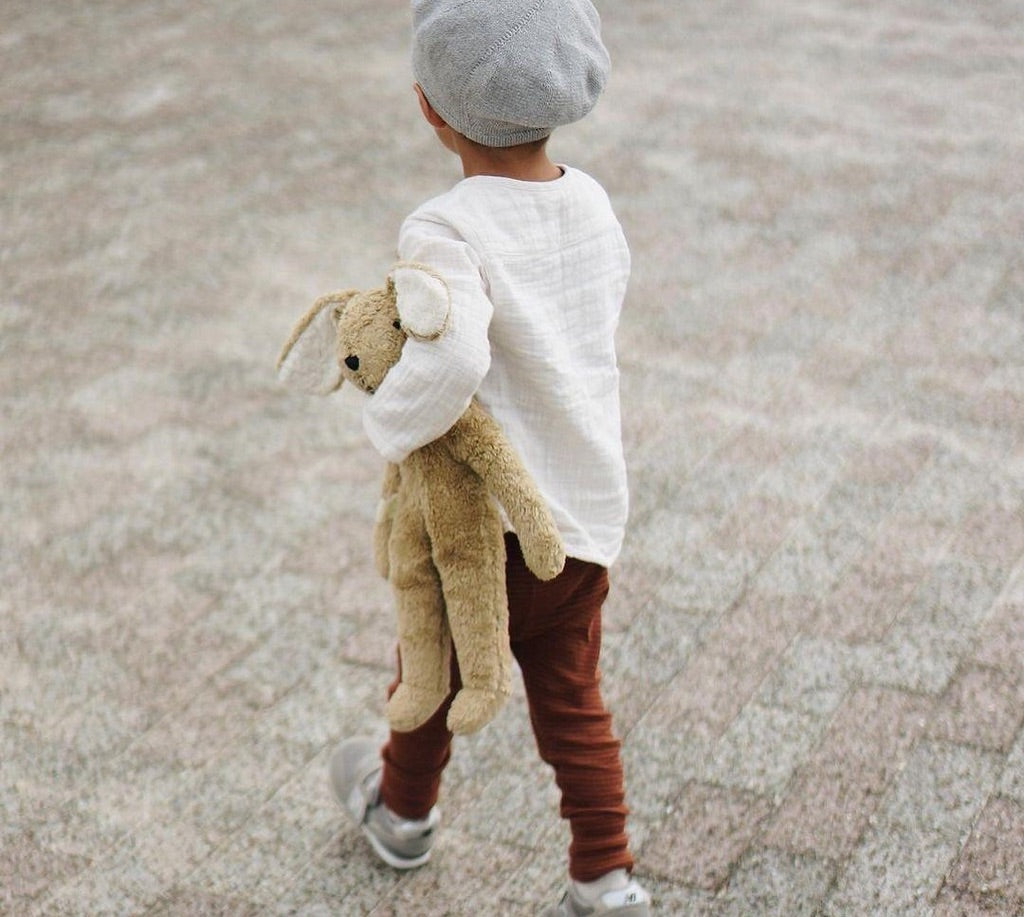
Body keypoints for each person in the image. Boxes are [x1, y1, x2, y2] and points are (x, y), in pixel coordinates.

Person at [329, 1, 650, 913]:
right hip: (582, 516)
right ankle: (605, 874)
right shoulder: (590, 200)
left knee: (431, 664)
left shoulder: (444, 227)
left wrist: (390, 425)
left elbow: (457, 354)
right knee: (572, 697)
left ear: (431, 108)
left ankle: (401, 812)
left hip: (485, 525)